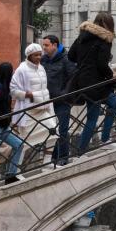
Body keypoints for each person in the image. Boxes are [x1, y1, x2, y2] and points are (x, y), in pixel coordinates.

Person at [67, 12, 116, 154]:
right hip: (95, 83)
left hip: (81, 81)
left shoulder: (82, 36)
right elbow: (102, 65)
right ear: (107, 25)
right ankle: (104, 140)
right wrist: (112, 76)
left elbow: (71, 56)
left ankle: (82, 151)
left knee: (93, 115)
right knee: (114, 104)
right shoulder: (104, 39)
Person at [10, 42, 52, 157]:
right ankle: (16, 170)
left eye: (40, 54)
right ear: (29, 56)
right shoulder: (21, 70)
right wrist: (27, 95)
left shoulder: (42, 68)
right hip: (28, 110)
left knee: (52, 132)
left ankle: (47, 163)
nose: (39, 57)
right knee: (25, 141)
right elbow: (13, 90)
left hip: (43, 109)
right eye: (36, 55)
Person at [41, 34, 75, 166]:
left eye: (46, 45)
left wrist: (65, 94)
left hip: (62, 101)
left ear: (55, 45)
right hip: (47, 102)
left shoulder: (66, 59)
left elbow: (73, 78)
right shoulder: (43, 60)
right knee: (50, 129)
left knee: (63, 129)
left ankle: (63, 157)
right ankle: (53, 157)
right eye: (43, 45)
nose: (44, 48)